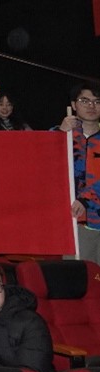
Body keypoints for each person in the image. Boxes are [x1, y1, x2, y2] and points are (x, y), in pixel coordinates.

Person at [62, 81, 100, 263]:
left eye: (97, 101)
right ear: (74, 105)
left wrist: (86, 199)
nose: (91, 106)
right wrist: (60, 134)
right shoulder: (61, 134)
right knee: (79, 273)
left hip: (93, 212)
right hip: (74, 221)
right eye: (85, 101)